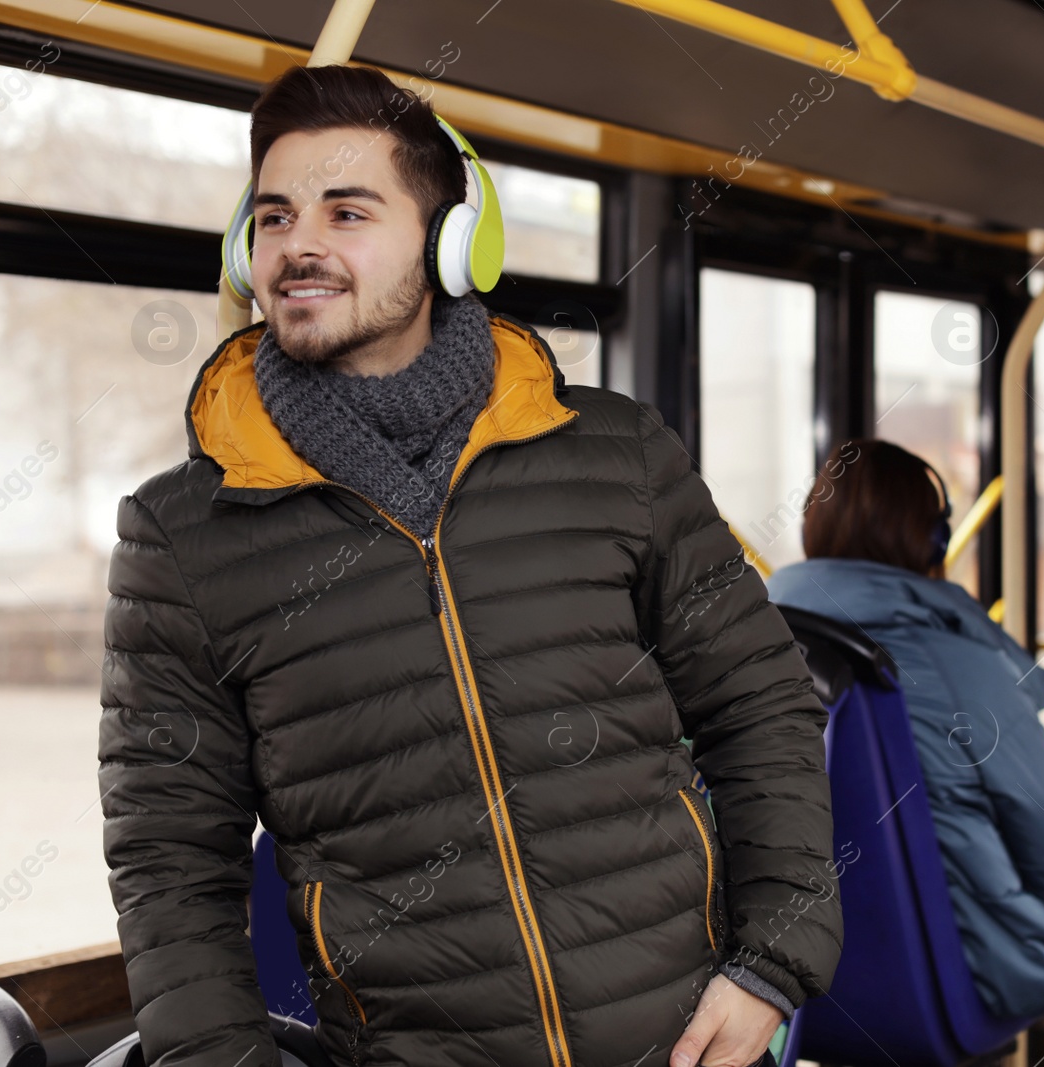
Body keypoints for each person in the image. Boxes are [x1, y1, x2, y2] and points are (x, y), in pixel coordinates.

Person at [97, 64, 838, 1067]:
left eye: (346, 211)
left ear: (450, 244)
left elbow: (762, 705)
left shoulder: (616, 455)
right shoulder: (181, 535)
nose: (298, 245)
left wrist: (772, 962)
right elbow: (169, 861)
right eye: (273, 217)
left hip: (686, 1044)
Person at [763, 439, 1044, 1020]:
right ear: (935, 541)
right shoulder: (963, 669)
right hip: (953, 973)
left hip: (774, 976)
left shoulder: (754, 645)